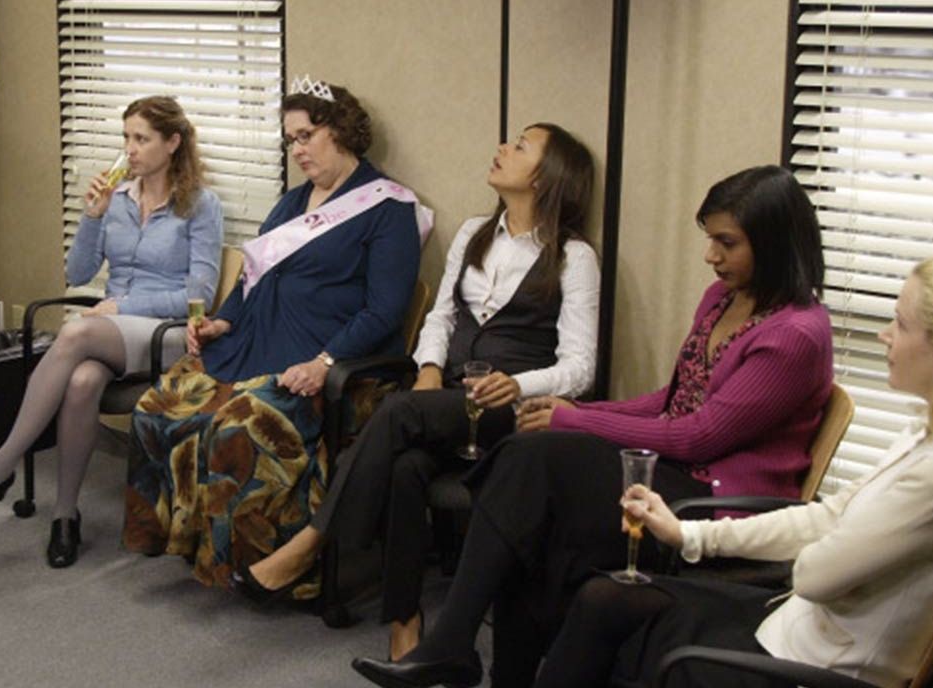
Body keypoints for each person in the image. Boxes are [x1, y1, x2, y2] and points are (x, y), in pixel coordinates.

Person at [352, 164, 833, 687]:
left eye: (726, 243)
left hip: (709, 501)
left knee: (531, 479)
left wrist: (578, 420)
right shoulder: (722, 299)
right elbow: (668, 403)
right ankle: (460, 653)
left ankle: (450, 646)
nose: (710, 256)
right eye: (709, 239)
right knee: (528, 489)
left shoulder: (795, 335)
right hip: (666, 471)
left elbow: (701, 435)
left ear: (775, 242)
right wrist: (573, 413)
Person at [514, 256, 933, 688]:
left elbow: (815, 573)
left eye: (900, 325)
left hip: (811, 668)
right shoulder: (932, 437)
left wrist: (840, 532)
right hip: (797, 627)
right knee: (604, 596)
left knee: (614, 621)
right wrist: (688, 533)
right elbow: (828, 517)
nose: (884, 335)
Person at [231, 122, 601, 662]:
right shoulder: (476, 232)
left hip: (514, 411)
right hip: (448, 397)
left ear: (548, 178)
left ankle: (311, 543)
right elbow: (441, 317)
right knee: (405, 467)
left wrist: (514, 385)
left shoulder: (573, 257)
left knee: (399, 412)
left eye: (520, 146)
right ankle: (406, 625)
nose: (501, 148)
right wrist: (428, 367)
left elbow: (580, 367)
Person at [123, 77, 427, 589]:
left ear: (342, 131)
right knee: (157, 407)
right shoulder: (292, 203)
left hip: (327, 365)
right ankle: (178, 539)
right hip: (254, 343)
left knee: (234, 429)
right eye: (291, 140)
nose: (298, 150)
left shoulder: (387, 208)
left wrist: (325, 362)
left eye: (307, 136)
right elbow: (251, 278)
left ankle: (242, 564)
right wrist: (223, 320)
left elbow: (385, 311)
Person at [0, 96, 223, 568]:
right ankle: (64, 516)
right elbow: (78, 271)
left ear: (173, 143)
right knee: (82, 381)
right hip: (111, 331)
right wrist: (92, 216)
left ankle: (0, 468)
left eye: (142, 139)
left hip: (166, 333)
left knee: (73, 334)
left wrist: (124, 305)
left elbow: (200, 296)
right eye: (126, 138)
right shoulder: (118, 200)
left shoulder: (200, 204)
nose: (130, 150)